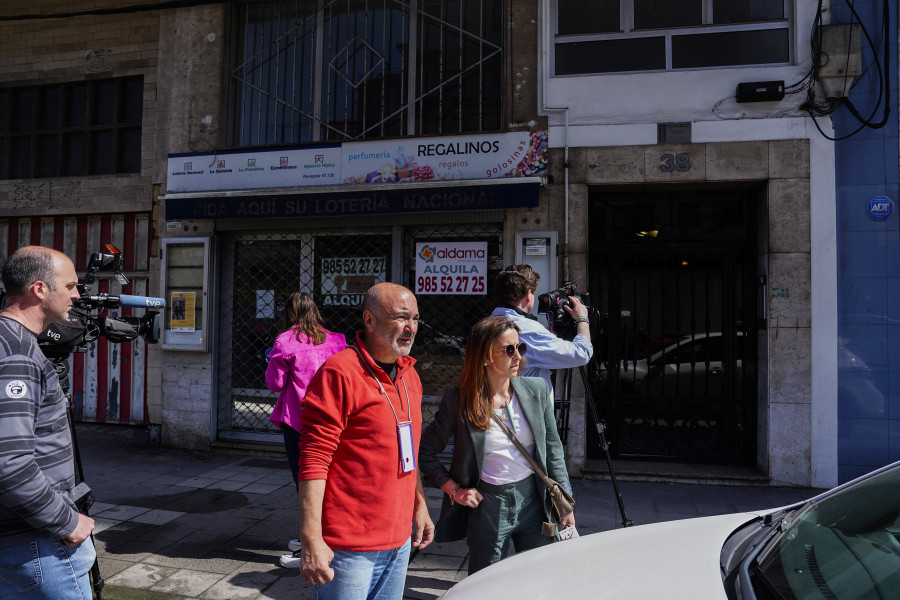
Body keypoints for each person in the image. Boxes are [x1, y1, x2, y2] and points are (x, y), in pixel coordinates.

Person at [296, 282, 434, 599]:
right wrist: (311, 539)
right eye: (400, 317)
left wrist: (420, 505)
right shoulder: (339, 373)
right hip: (349, 547)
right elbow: (314, 461)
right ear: (370, 321)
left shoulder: (410, 374)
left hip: (399, 541)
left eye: (414, 318)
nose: (410, 328)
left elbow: (408, 451)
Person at [419, 315, 575, 575]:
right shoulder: (458, 400)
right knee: (486, 582)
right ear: (484, 356)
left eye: (520, 348)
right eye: (508, 350)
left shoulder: (535, 390)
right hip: (490, 505)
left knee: (541, 575)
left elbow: (553, 448)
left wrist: (565, 504)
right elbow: (425, 453)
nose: (518, 356)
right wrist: (454, 490)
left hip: (534, 500)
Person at [0, 246, 96, 600]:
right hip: (36, 546)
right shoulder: (17, 356)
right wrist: (66, 522)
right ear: (39, 289)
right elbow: (9, 463)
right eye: (69, 286)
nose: (77, 295)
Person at [265, 292, 346, 567]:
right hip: (333, 421)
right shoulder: (337, 340)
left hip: (299, 422)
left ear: (288, 314)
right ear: (315, 311)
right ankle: (314, 537)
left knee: (305, 484)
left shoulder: (284, 341)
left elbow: (275, 384)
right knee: (330, 481)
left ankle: (312, 545)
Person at [491, 264, 593, 395]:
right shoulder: (529, 330)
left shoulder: (487, 323)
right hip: (524, 412)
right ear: (529, 294)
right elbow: (581, 354)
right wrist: (583, 319)